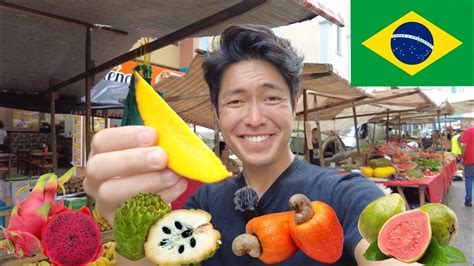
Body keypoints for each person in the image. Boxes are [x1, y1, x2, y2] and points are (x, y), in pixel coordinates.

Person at [84, 25, 409, 265]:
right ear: (216, 113)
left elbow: (382, 253)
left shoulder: (344, 194)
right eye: (236, 101)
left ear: (293, 104)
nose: (254, 118)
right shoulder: (205, 202)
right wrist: (128, 222)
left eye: (271, 98)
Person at [460, 126, 474, 207]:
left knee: (469, 179)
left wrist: (462, 158)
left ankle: (468, 200)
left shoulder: (469, 130)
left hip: (470, 159)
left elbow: (464, 145)